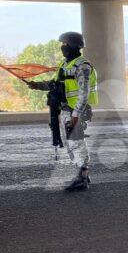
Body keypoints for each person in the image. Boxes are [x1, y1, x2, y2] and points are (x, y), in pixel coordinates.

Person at [27, 31, 98, 191]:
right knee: (70, 143)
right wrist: (37, 85)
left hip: (77, 110)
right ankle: (82, 174)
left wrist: (76, 114)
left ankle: (82, 176)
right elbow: (55, 83)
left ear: (73, 46)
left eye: (65, 44)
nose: (62, 47)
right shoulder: (65, 65)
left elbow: (84, 93)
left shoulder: (82, 66)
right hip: (66, 108)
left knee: (76, 141)